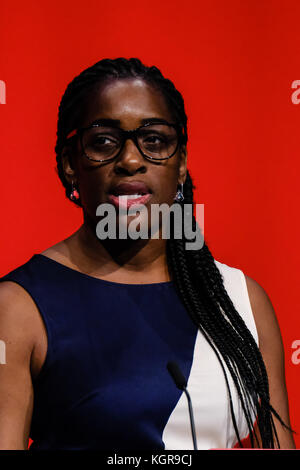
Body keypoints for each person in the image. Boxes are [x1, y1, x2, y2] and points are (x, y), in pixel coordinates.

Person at [0, 57, 296, 450]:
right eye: (103, 141)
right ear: (71, 164)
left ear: (182, 164)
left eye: (154, 140)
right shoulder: (18, 308)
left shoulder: (241, 300)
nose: (131, 159)